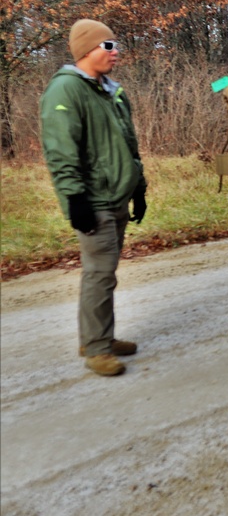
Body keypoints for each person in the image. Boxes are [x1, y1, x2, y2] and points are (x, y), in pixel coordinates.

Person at [40, 19, 147, 376]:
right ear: (87, 50)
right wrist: (75, 199)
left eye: (115, 44)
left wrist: (139, 187)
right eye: (108, 46)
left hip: (117, 194)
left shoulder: (111, 90)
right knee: (99, 273)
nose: (116, 51)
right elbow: (60, 150)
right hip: (94, 198)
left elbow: (128, 145)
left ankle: (98, 335)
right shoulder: (66, 91)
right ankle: (97, 348)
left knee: (106, 273)